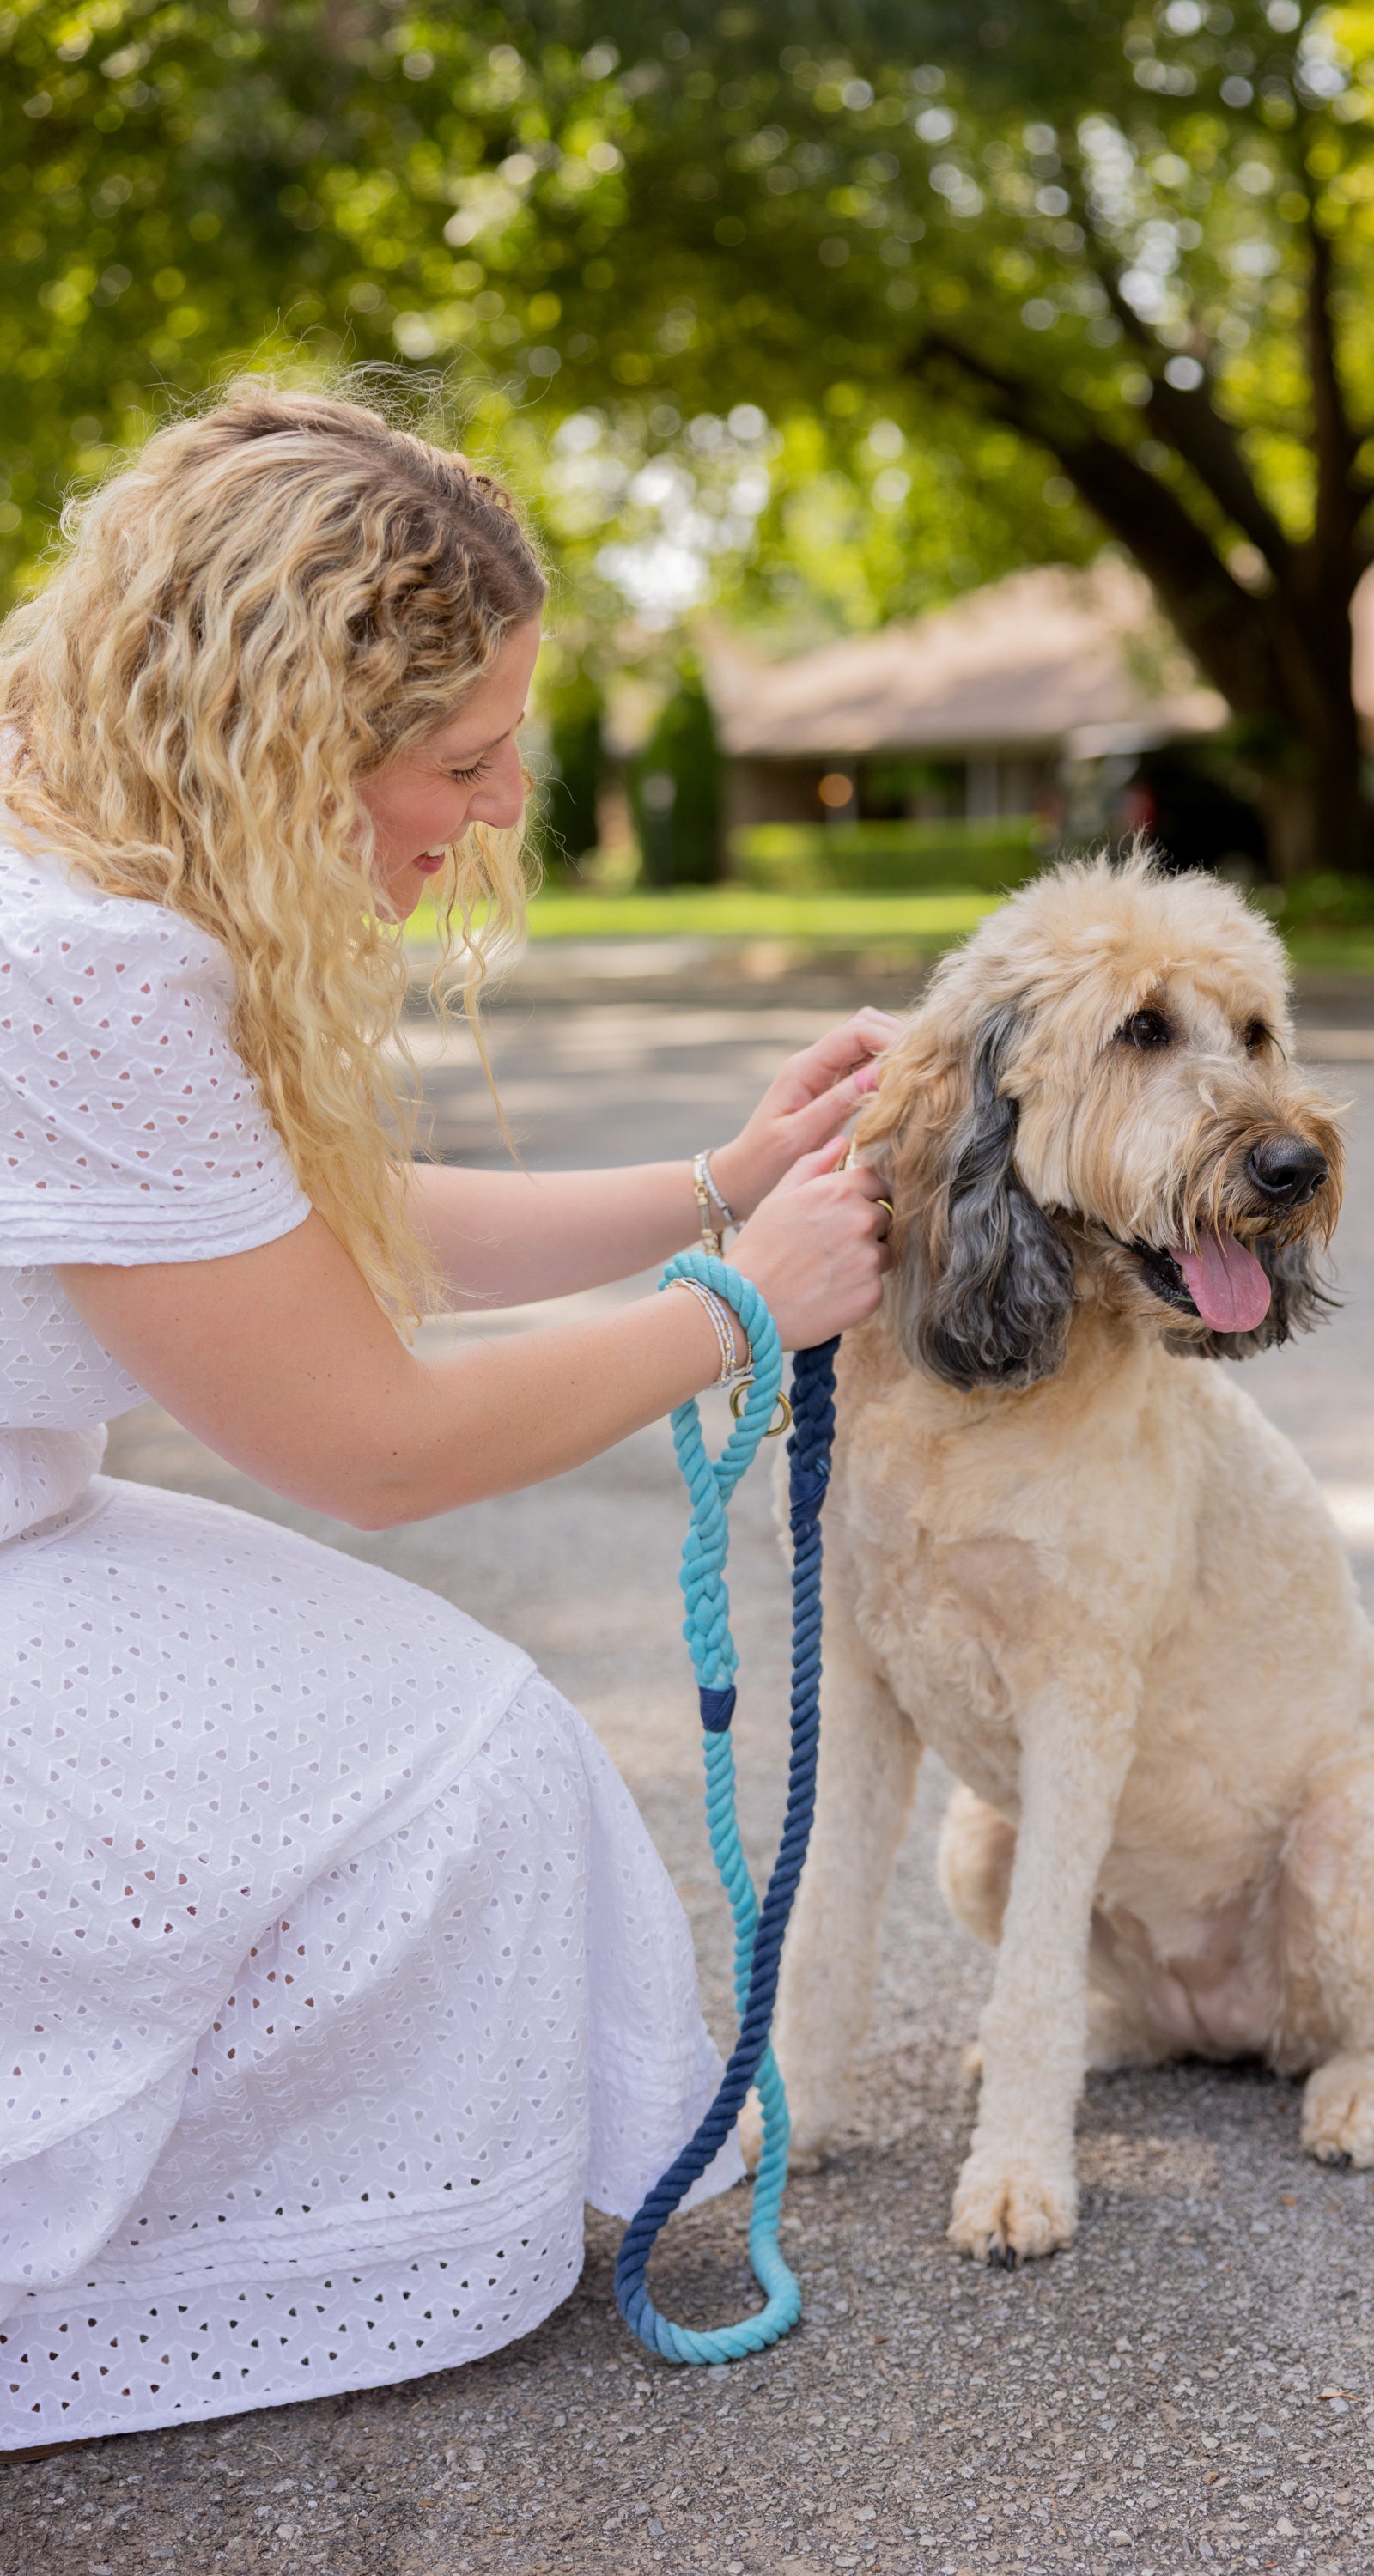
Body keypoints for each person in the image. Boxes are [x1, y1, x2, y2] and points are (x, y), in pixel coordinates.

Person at [0, 385, 894, 2450]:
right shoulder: (74, 970)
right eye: (464, 760)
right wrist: (742, 1312)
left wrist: (720, 1184)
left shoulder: (78, 867)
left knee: (471, 1740)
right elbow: (370, 1444)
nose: (494, 812)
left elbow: (318, 1230)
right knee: (454, 1777)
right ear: (287, 741)